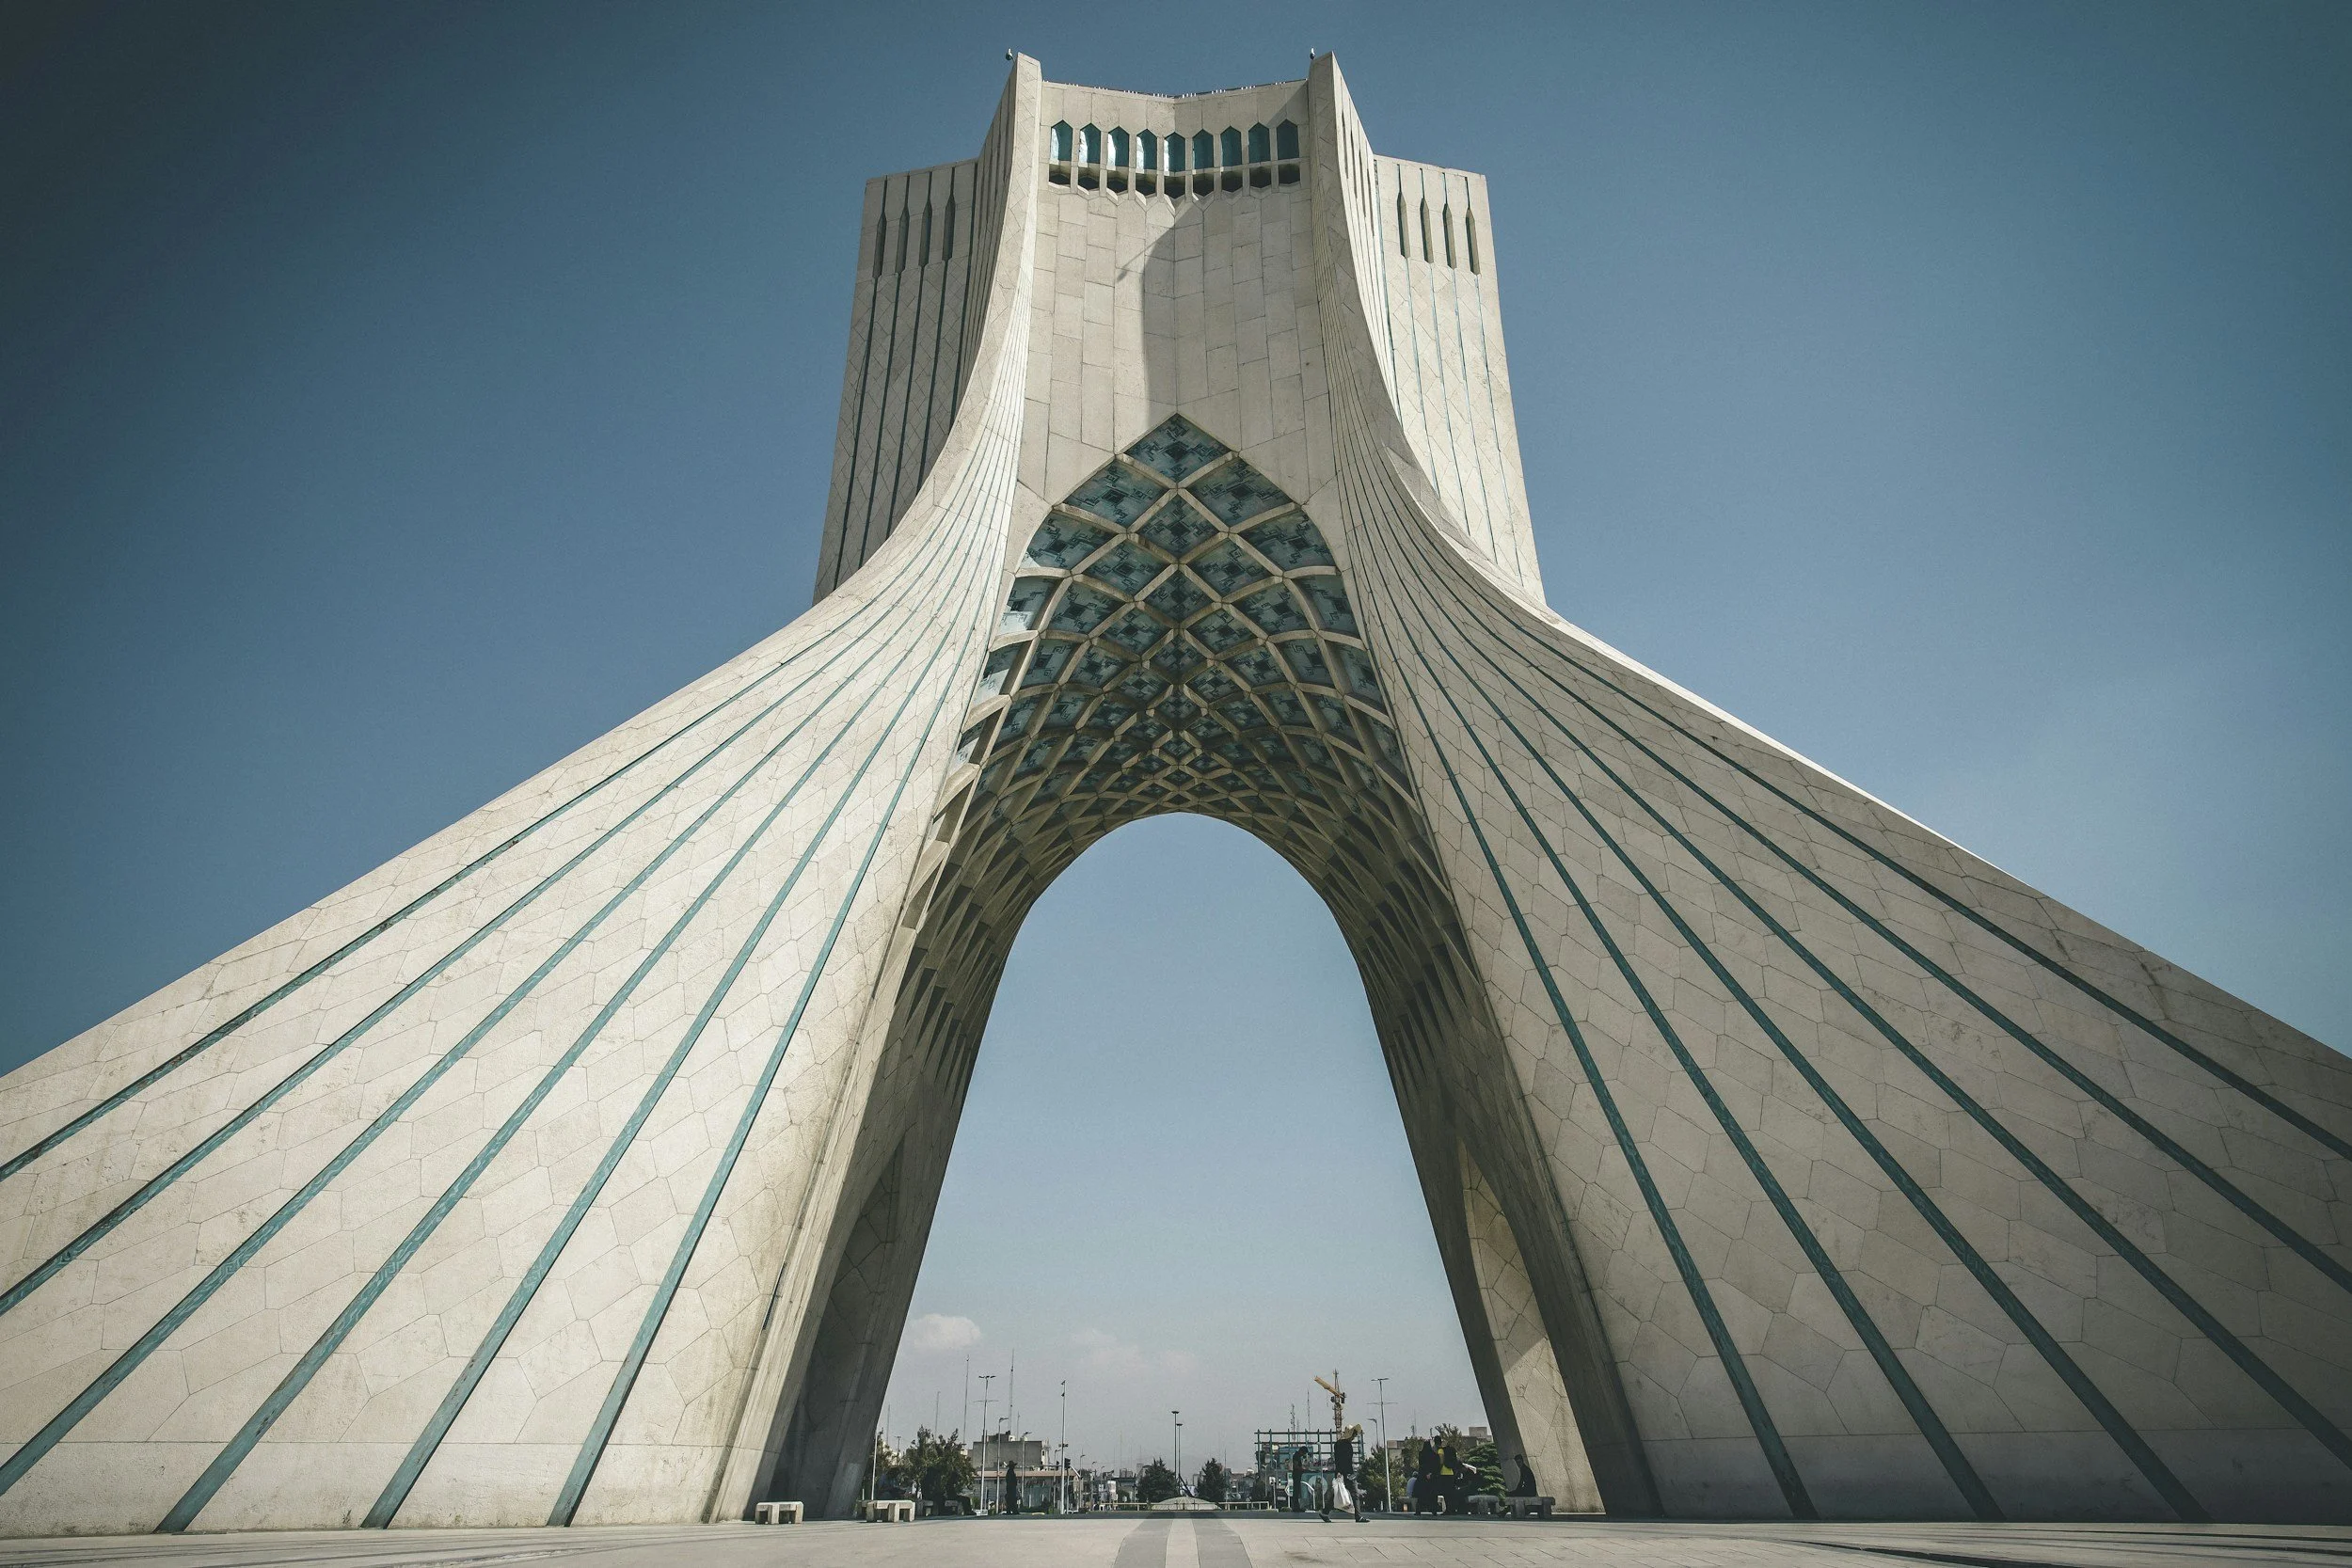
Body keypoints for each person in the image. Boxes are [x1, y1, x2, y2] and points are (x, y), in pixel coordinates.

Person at [1327, 1425, 1363, 1522]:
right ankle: (1358, 1516)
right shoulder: (1346, 1445)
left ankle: (1325, 1512)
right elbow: (1345, 1461)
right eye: (1354, 1434)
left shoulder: (1338, 1444)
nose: (1354, 1437)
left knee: (1337, 1493)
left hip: (1341, 1472)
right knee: (1355, 1494)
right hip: (1347, 1473)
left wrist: (1338, 1472)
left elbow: (1338, 1460)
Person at [1415, 1437, 1440, 1515]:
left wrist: (1425, 1473)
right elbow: (1437, 1466)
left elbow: (1421, 1466)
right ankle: (1434, 1510)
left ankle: (1419, 1511)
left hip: (1423, 1477)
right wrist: (1431, 1474)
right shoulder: (1435, 1455)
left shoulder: (1421, 1454)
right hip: (1432, 1478)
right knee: (1432, 1494)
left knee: (1422, 1495)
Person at [1289, 1445, 1308, 1514]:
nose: (1304, 1455)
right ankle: (1296, 1507)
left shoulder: (1298, 1456)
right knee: (1296, 1491)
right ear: (1302, 1451)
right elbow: (1296, 1466)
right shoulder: (1296, 1456)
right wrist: (1303, 1470)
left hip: (1297, 1474)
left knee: (1297, 1491)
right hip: (1296, 1474)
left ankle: (1297, 1506)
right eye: (1304, 1453)